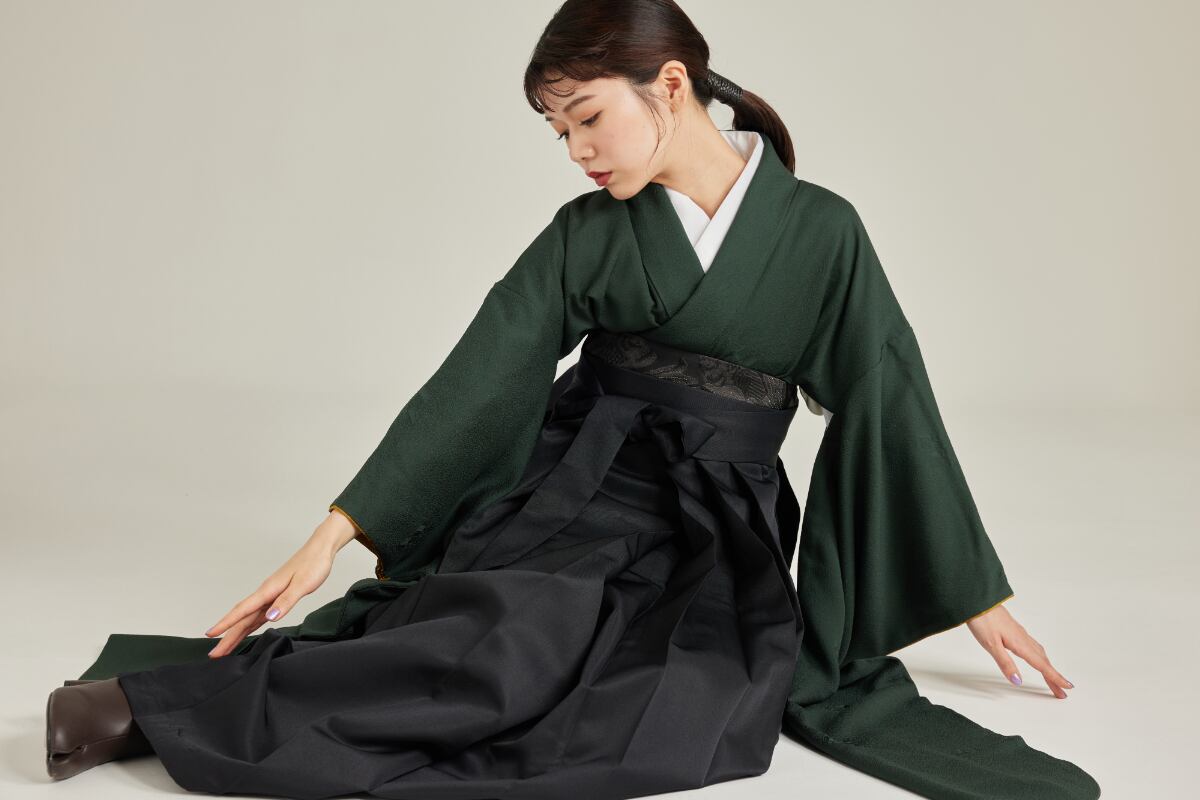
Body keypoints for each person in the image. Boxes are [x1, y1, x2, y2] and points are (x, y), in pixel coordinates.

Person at [45, 1, 1100, 798]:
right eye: (559, 133)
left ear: (671, 85)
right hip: (579, 484)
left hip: (718, 526)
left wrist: (971, 590)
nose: (578, 152)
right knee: (509, 635)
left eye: (588, 117)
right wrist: (335, 531)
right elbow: (484, 369)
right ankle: (139, 708)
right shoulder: (586, 235)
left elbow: (887, 392)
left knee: (684, 709)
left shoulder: (823, 232)